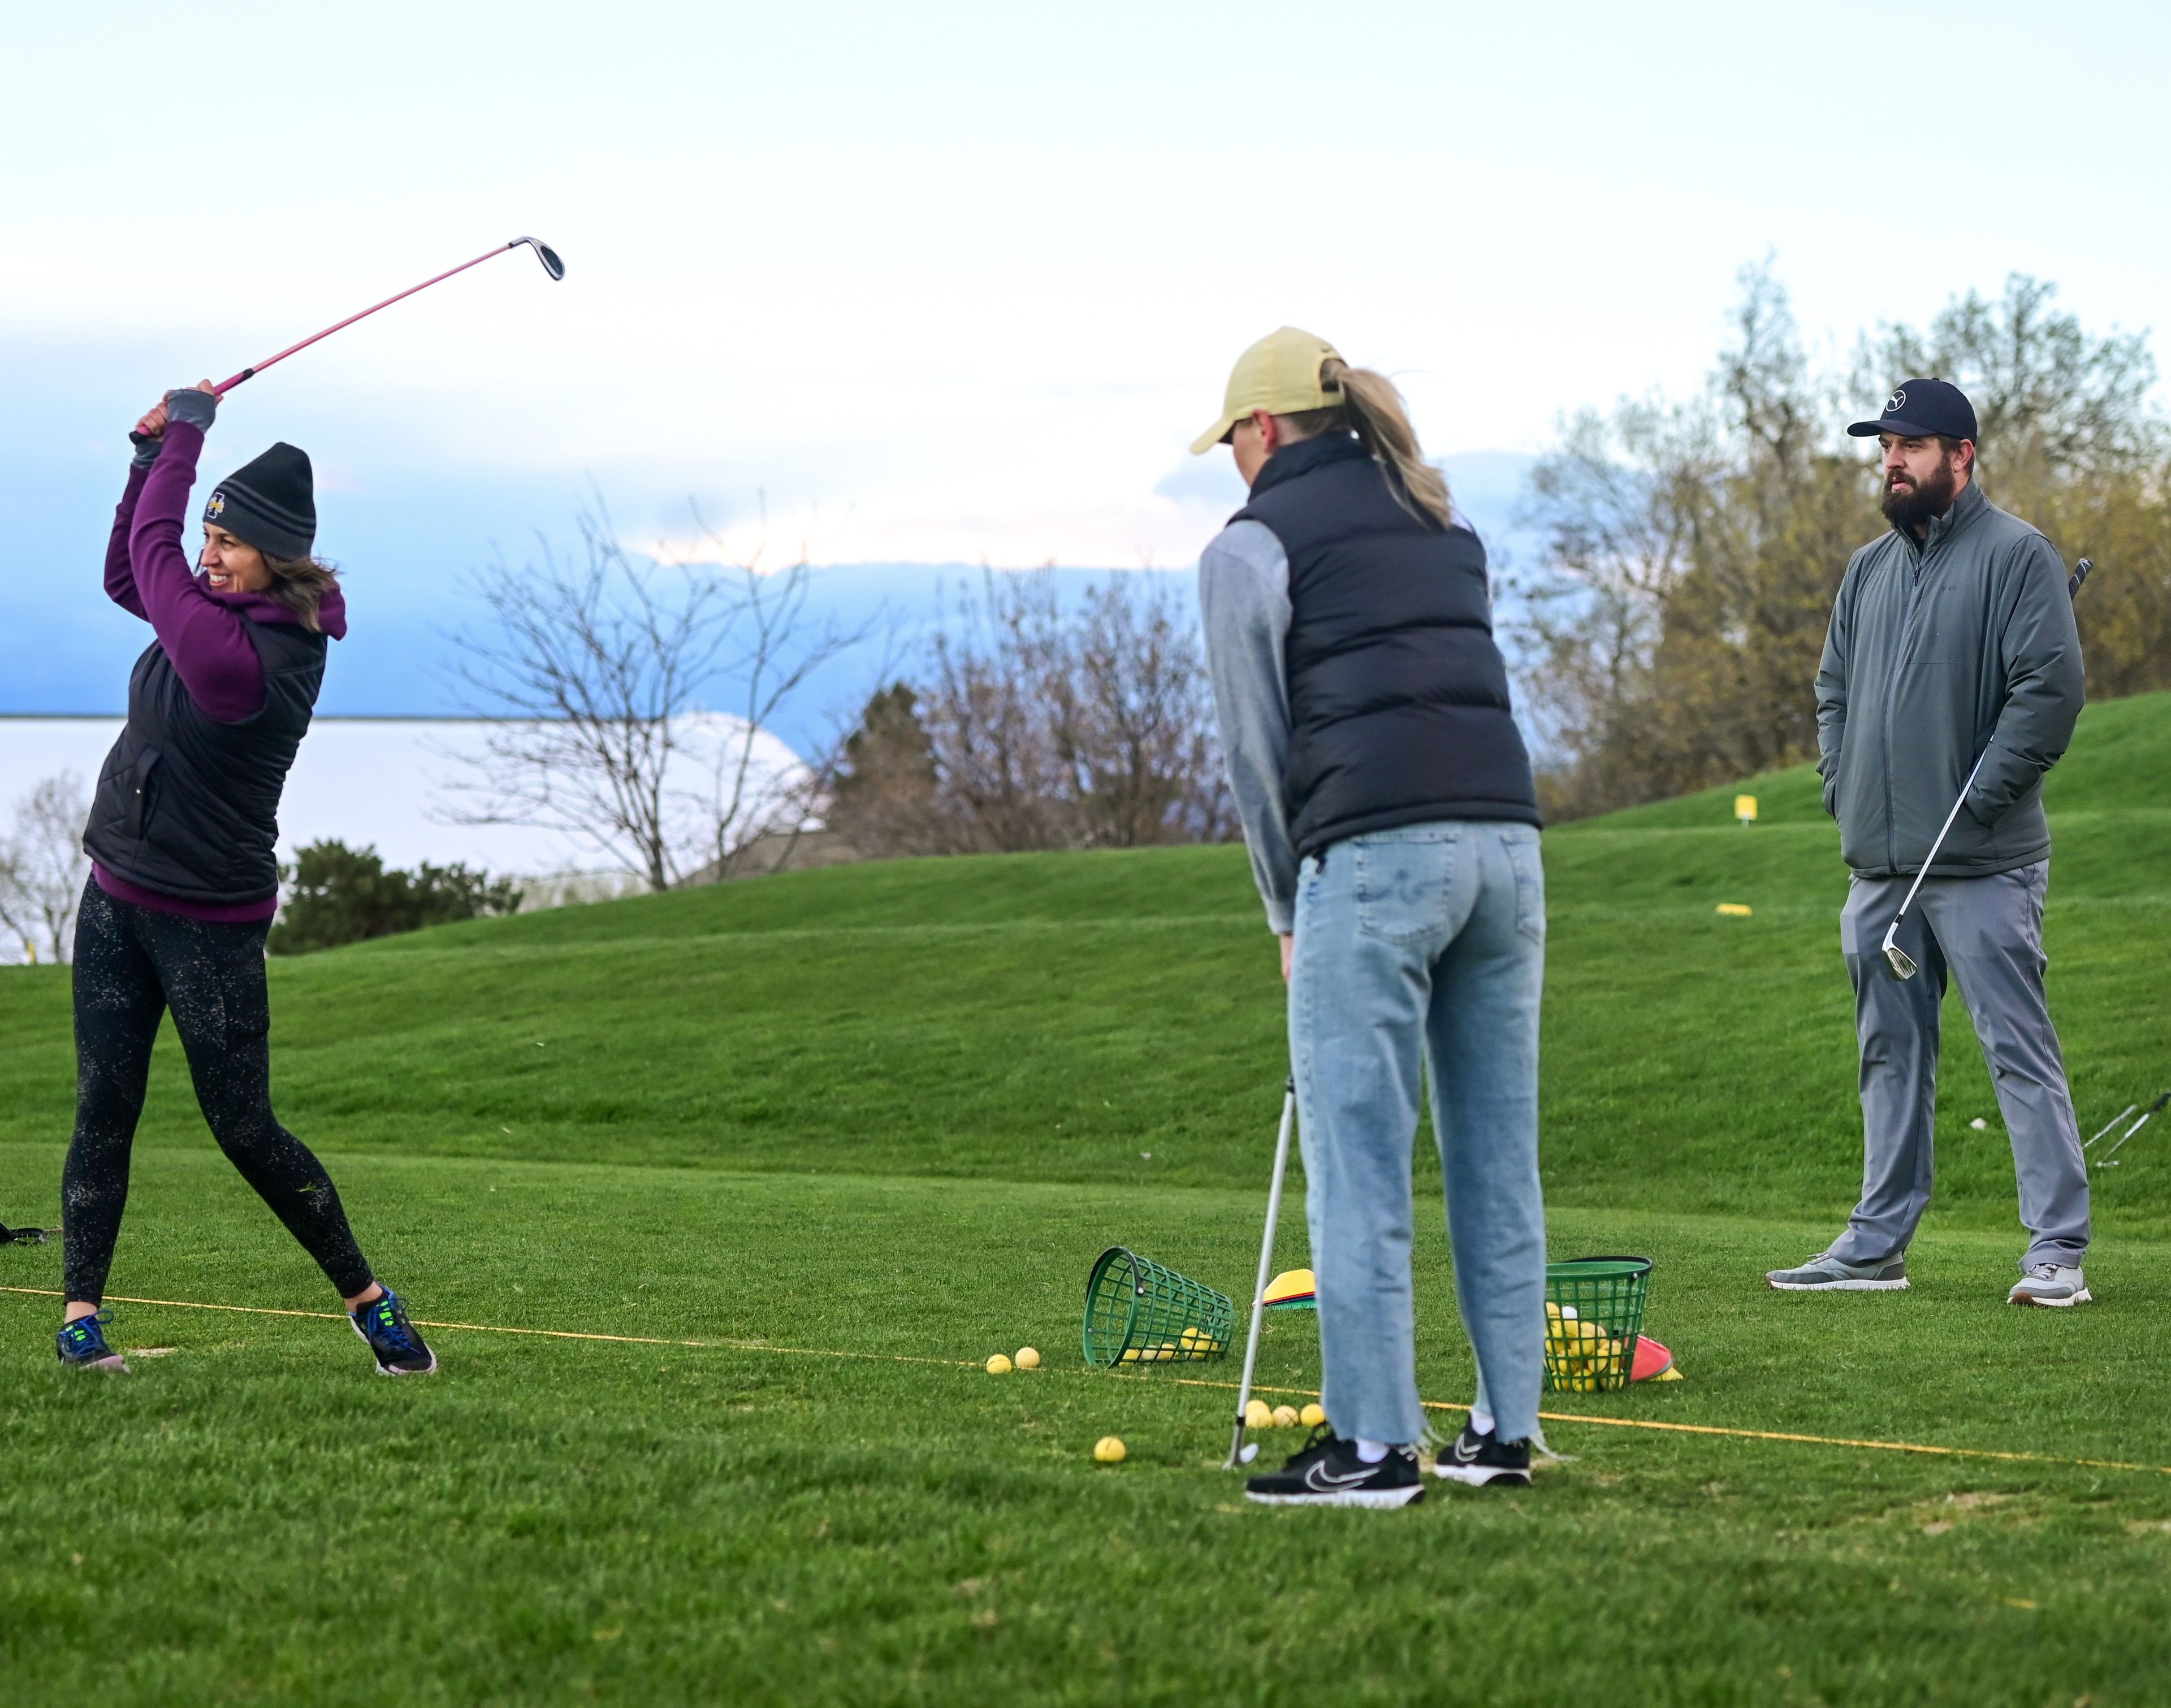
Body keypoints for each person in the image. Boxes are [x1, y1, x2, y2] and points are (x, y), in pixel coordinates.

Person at [1193, 328, 1549, 1507]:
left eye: (1231, 443)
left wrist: (1283, 908)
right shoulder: (1446, 524)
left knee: (1359, 1166)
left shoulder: (1250, 546)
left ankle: (1374, 1445)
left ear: (1263, 432)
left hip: (1377, 859)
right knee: (1496, 1156)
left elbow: (1257, 754)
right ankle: (1501, 1431)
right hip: (1507, 849)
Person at [54, 381, 436, 1375]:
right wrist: (146, 465)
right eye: (208, 536)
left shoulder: (252, 658)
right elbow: (124, 571)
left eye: (225, 540)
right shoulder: (211, 608)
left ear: (276, 554)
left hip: (208, 924)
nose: (206, 554)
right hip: (116, 897)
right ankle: (81, 1318)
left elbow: (153, 558)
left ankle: (370, 1298)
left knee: (244, 1128)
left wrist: (185, 438)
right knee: (105, 1104)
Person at [1767, 378, 2091, 1307]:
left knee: (2016, 1047)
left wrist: (1977, 803)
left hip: (1984, 862)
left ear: (1963, 456)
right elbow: (1832, 689)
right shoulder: (1868, 569)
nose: (1893, 460)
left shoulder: (2018, 556)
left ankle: (2057, 1250)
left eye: (1912, 445)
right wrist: (1843, 789)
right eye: (1885, 446)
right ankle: (1876, 1246)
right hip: (1881, 869)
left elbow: (2048, 696)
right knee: (1889, 1055)